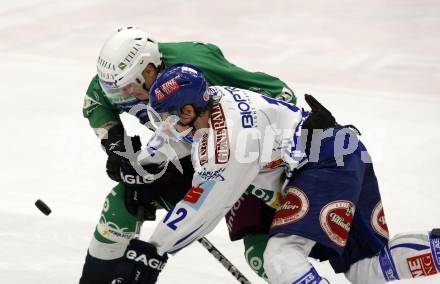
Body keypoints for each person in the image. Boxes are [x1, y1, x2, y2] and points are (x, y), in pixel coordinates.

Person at [109, 64, 440, 284]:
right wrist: (141, 161)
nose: (166, 123)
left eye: (171, 115)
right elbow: (175, 135)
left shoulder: (231, 143)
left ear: (189, 109)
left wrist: (154, 248)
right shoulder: (214, 97)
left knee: (280, 257)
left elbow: (204, 206)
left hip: (325, 166)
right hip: (343, 152)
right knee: (367, 269)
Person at [80, 26, 294, 283]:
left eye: (127, 88)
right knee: (122, 201)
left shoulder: (196, 64)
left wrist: (251, 138)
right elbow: (97, 102)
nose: (123, 96)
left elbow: (282, 94)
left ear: (149, 70)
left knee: (260, 251)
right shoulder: (122, 79)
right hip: (188, 155)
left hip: (244, 161)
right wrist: (117, 146)